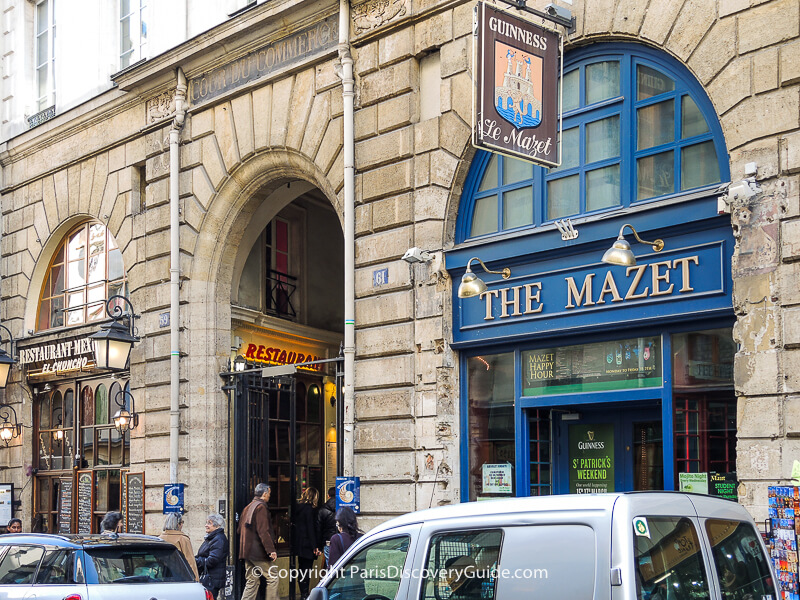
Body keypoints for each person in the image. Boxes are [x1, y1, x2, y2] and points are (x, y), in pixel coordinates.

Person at [239, 483, 278, 600]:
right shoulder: (261, 507)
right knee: (273, 576)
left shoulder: (248, 507)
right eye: (269, 494)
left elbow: (239, 529)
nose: (269, 496)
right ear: (265, 494)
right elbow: (263, 531)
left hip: (247, 551)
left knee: (252, 581)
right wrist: (271, 550)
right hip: (256, 552)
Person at [291, 487, 321, 600]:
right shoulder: (310, 510)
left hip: (299, 543)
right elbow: (310, 528)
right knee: (307, 570)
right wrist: (315, 546)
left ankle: (303, 592)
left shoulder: (298, 507)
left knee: (301, 569)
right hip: (308, 544)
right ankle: (305, 594)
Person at [196, 513, 229, 599]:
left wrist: (195, 561)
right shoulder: (212, 538)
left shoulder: (218, 539)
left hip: (212, 579)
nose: (206, 525)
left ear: (217, 526)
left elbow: (212, 560)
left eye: (209, 523)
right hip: (209, 578)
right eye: (207, 522)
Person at [160, 512, 199, 580]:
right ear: (178, 524)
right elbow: (190, 561)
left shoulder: (160, 538)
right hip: (180, 577)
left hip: (162, 576)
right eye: (182, 522)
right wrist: (196, 579)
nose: (182, 525)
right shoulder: (182, 539)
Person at [317, 488, 336, 566]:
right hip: (342, 541)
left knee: (330, 567)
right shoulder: (344, 507)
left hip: (328, 541)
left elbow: (319, 529)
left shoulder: (322, 509)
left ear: (328, 496)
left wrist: (319, 546)